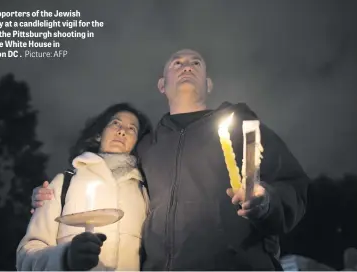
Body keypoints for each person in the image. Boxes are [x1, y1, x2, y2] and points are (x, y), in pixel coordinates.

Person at [31, 49, 310, 270]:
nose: (186, 66)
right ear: (162, 85)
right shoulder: (145, 148)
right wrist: (53, 196)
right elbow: (107, 185)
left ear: (209, 84)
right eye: (177, 63)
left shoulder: (240, 126)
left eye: (196, 63)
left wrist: (267, 203)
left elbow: (291, 183)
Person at [16, 103, 152, 271]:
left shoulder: (144, 192)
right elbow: (26, 257)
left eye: (132, 129)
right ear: (98, 135)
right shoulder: (64, 183)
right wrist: (65, 258)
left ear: (137, 143)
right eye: (115, 123)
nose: (122, 131)